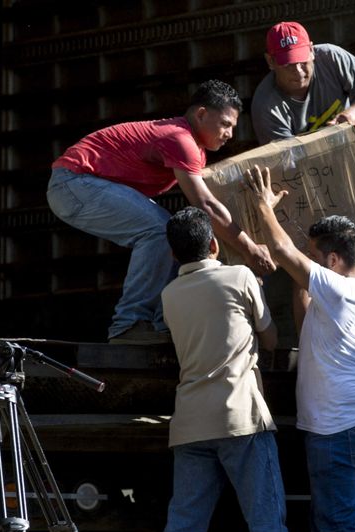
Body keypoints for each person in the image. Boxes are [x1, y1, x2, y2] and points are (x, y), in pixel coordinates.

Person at [245, 164, 355, 532]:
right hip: (342, 426)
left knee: (338, 524)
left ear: (330, 261)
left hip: (339, 428)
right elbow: (305, 311)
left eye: (314, 256)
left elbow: (282, 250)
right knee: (328, 525)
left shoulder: (342, 289)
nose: (307, 263)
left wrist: (263, 207)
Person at [47, 80, 274, 344]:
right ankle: (129, 324)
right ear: (201, 114)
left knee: (174, 236)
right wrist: (249, 248)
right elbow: (207, 205)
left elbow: (210, 206)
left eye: (233, 127)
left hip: (80, 186)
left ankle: (159, 325)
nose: (230, 134)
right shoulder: (181, 140)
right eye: (225, 124)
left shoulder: (193, 149)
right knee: (159, 231)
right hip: (72, 184)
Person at [148, 207, 291, 532]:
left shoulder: (169, 295)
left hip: (190, 425)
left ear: (173, 255)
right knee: (265, 523)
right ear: (213, 244)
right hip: (240, 418)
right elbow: (271, 337)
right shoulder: (241, 277)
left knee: (184, 527)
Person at [251, 21, 355, 143]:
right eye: (288, 65)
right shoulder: (266, 107)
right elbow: (289, 158)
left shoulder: (332, 58)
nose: (298, 70)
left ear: (311, 50)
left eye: (302, 61)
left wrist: (351, 114)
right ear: (270, 61)